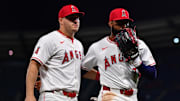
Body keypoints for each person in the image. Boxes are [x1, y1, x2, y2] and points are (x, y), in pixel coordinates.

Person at [25, 4, 98, 101]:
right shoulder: (50, 39)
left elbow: (82, 70)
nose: (76, 21)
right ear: (61, 20)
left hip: (73, 97)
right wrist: (29, 95)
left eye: (77, 18)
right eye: (71, 18)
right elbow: (34, 64)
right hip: (54, 96)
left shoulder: (78, 44)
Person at [82, 8, 157, 101]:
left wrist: (137, 61)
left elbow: (152, 74)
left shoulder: (140, 45)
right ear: (110, 23)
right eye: (120, 23)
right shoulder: (98, 46)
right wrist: (102, 76)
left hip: (132, 96)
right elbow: (83, 69)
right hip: (110, 94)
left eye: (126, 23)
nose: (123, 27)